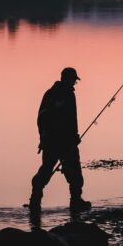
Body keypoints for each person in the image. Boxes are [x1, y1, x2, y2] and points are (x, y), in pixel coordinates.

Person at [29, 67, 92, 213]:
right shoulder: (68, 95)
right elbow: (71, 119)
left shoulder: (49, 93)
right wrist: (74, 136)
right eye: (74, 81)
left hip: (51, 141)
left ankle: (35, 200)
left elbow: (41, 118)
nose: (74, 84)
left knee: (46, 169)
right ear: (69, 79)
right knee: (74, 172)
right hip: (65, 142)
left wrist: (43, 137)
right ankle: (75, 202)